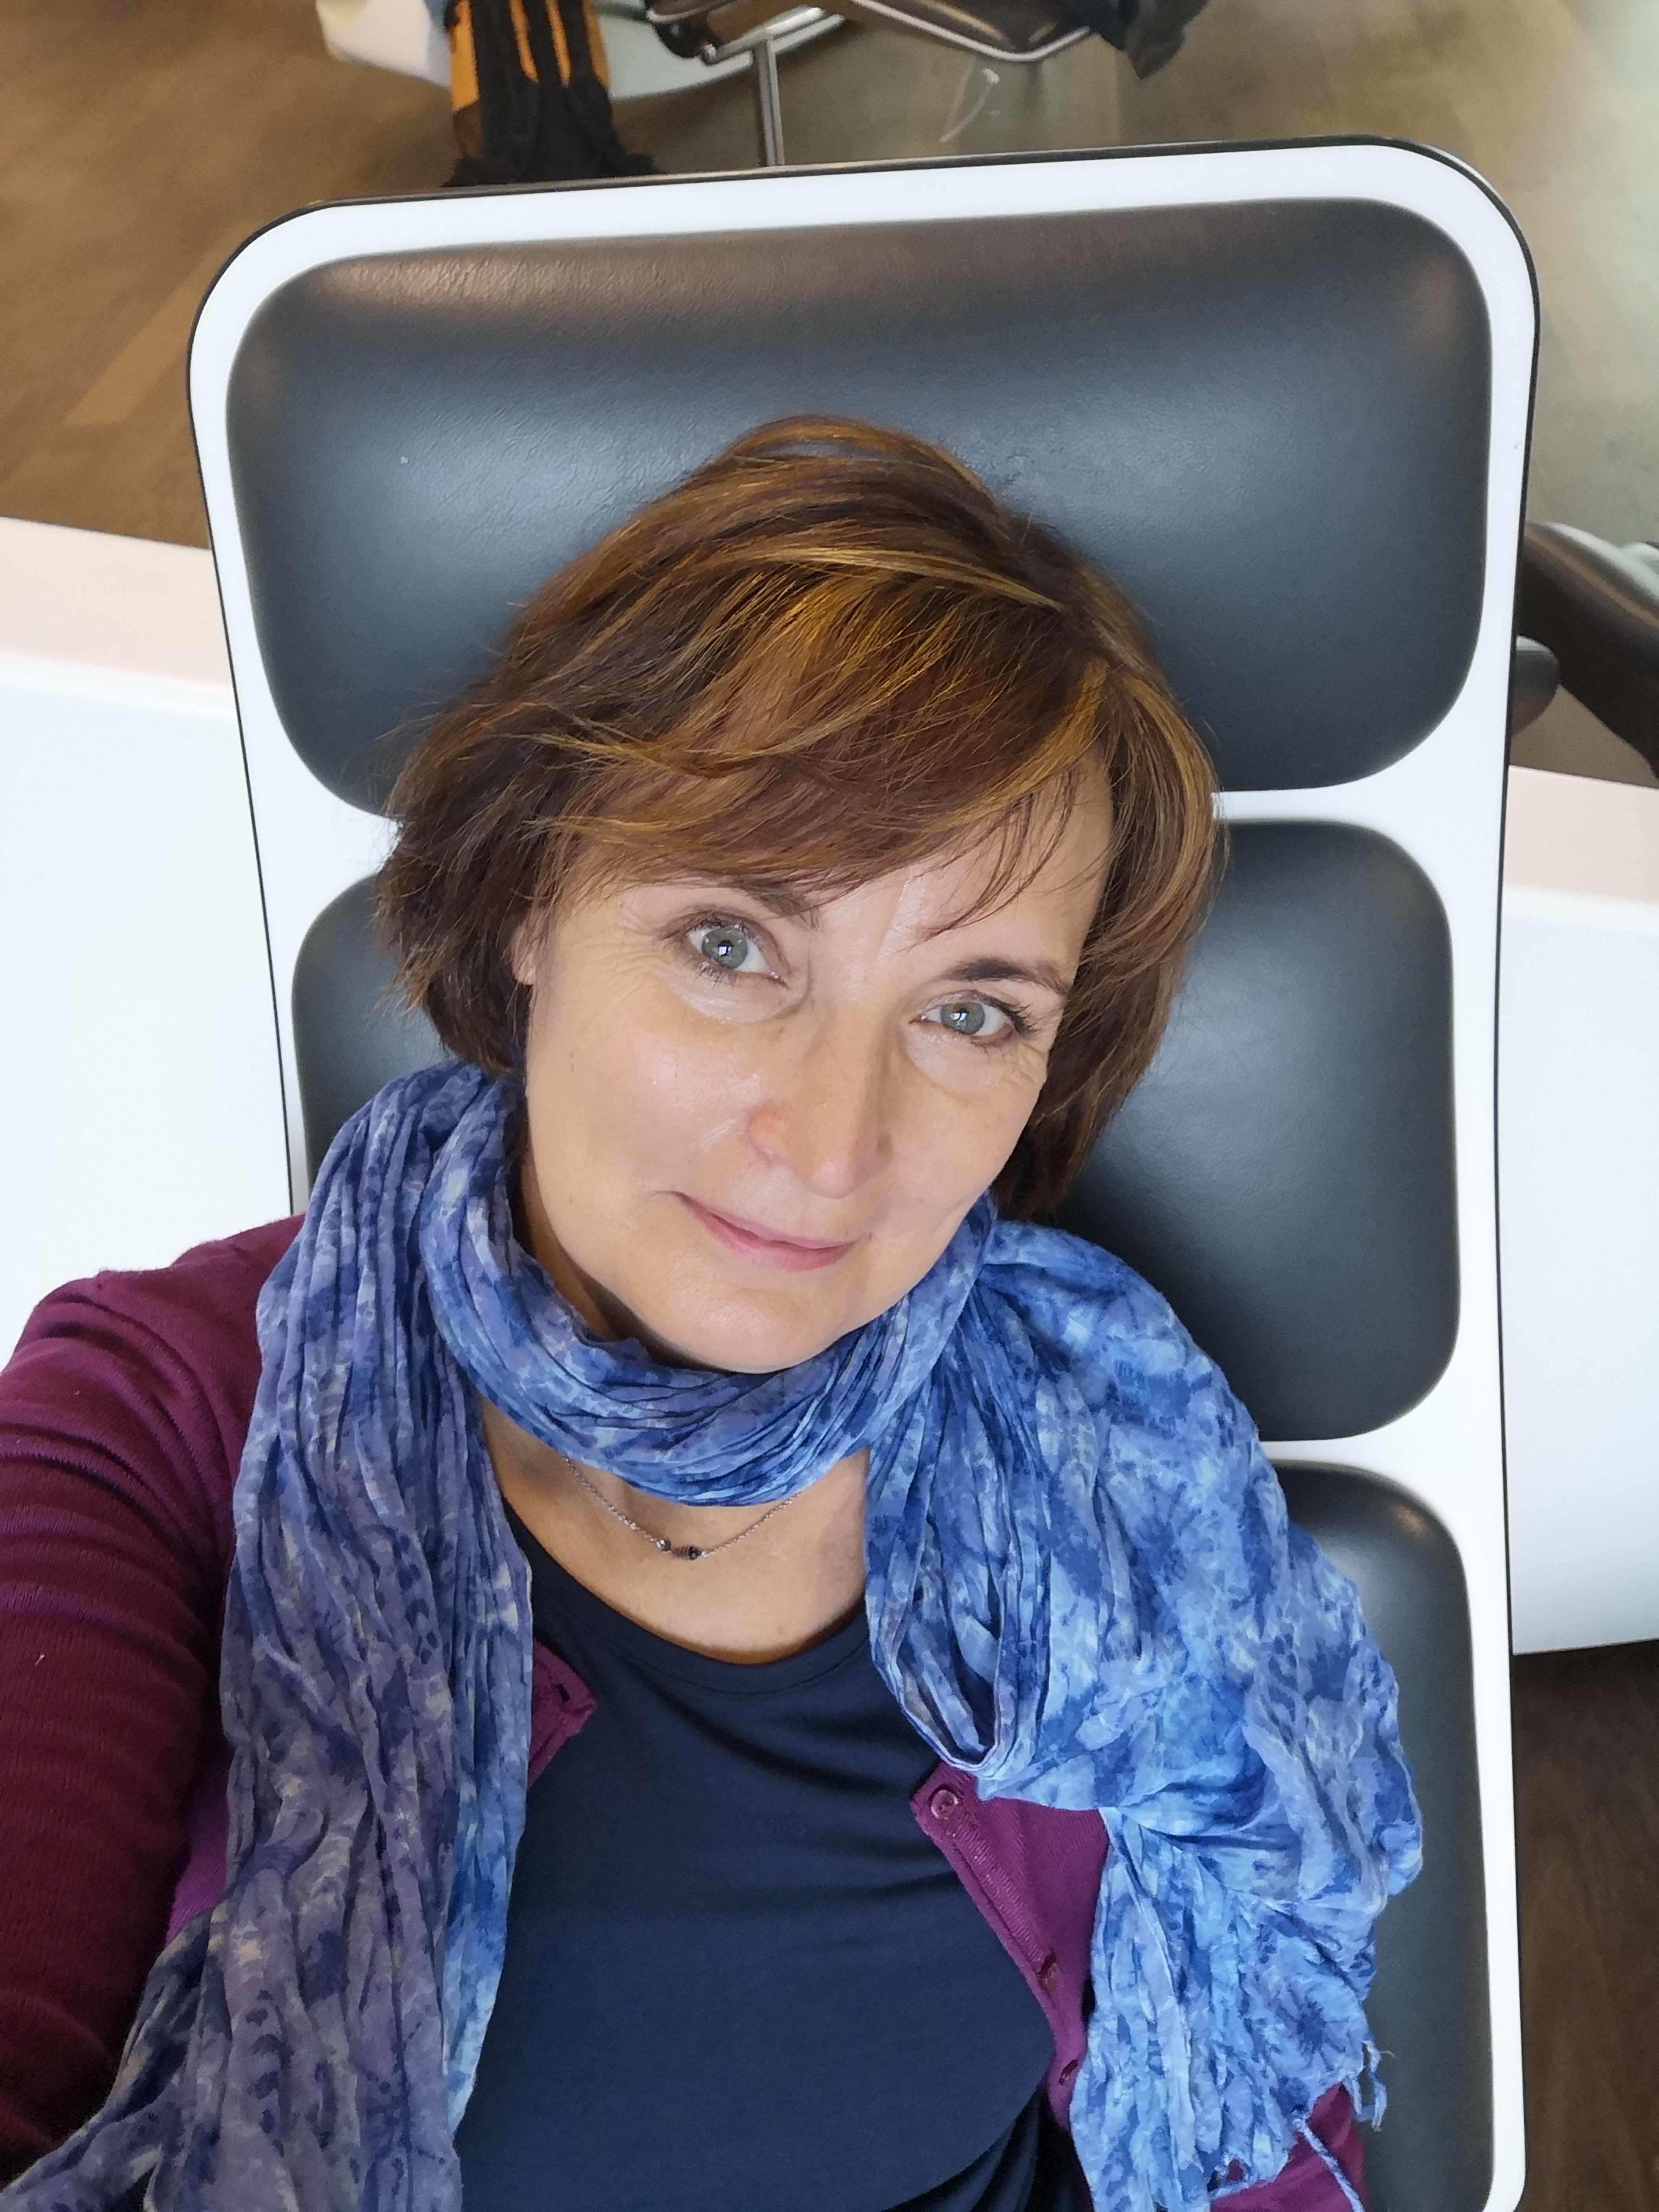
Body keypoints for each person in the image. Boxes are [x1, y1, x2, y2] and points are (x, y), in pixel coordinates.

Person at [0, 420, 1419, 2212]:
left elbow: (1262, 2105)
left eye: (970, 1010)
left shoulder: (1115, 1455)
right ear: (531, 900)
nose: (831, 1148)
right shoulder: (159, 1424)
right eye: (733, 944)